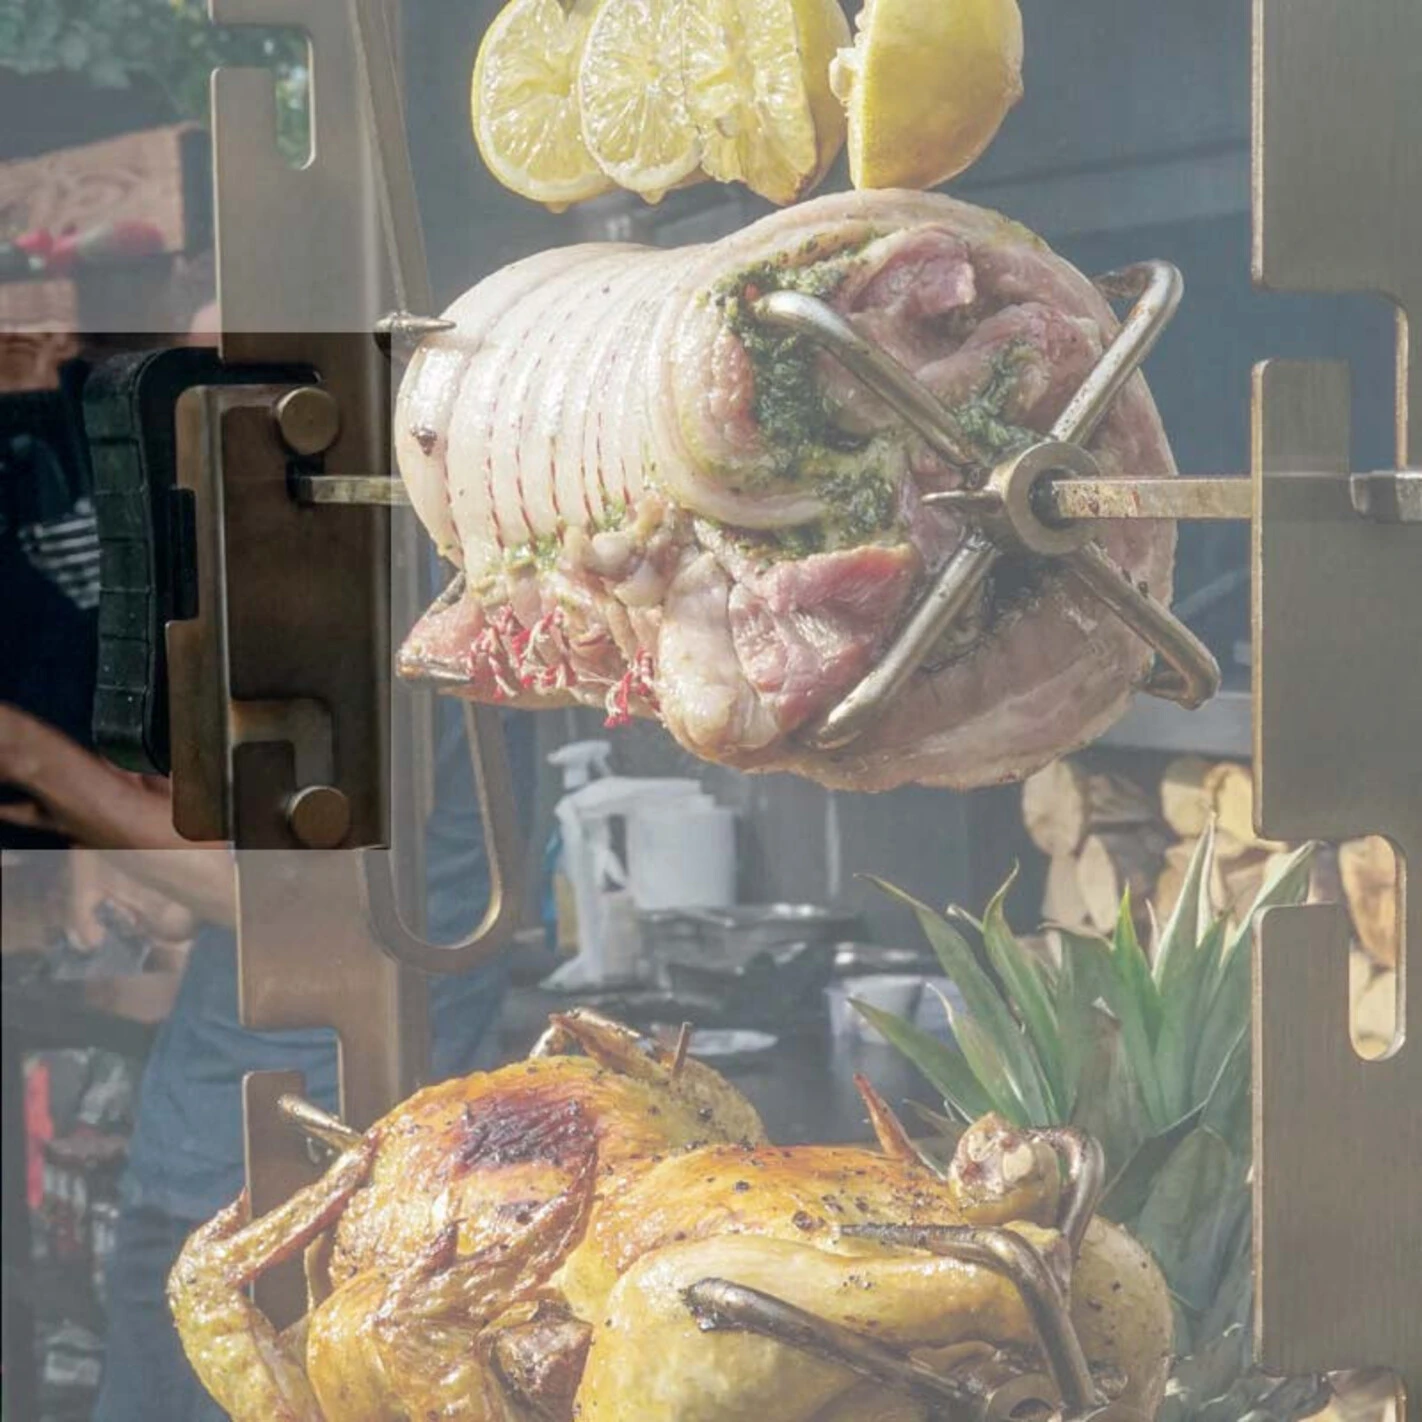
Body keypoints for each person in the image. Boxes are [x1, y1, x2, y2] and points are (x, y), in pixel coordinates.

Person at [1, 337, 535, 1421]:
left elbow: (291, 905)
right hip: (312, 1156)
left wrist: (31, 756)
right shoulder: (432, 586)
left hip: (255, 1182)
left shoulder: (359, 593)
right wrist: (128, 850)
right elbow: (279, 871)